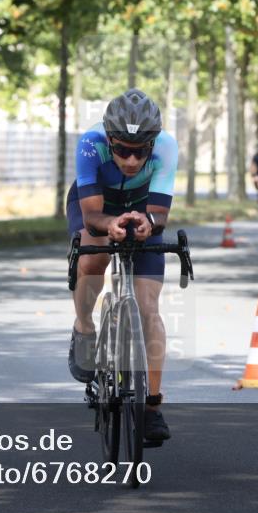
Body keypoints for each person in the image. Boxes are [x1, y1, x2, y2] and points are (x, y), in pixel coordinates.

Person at [66, 88, 178, 442]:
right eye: (122, 151)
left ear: (153, 144)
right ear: (109, 140)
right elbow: (92, 214)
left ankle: (152, 406)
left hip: (142, 206)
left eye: (140, 151)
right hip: (97, 205)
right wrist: (111, 225)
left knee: (149, 308)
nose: (131, 160)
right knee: (94, 254)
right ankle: (84, 325)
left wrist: (148, 223)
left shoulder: (167, 147)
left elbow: (159, 213)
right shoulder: (90, 143)